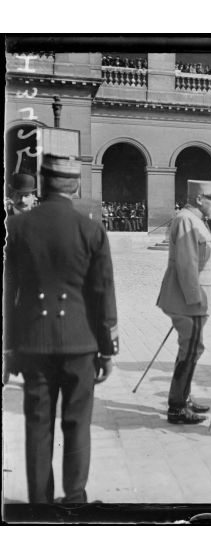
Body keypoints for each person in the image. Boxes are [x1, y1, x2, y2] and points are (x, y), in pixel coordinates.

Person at [4, 154, 118, 503]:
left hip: (33, 344)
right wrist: (108, 348)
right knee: (76, 423)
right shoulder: (91, 229)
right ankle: (74, 498)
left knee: (37, 426)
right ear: (76, 185)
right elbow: (103, 293)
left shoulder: (18, 228)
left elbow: (10, 291)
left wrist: (8, 347)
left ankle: (39, 503)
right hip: (80, 343)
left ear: (43, 182)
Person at [156, 179, 211, 424]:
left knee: (191, 348)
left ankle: (183, 397)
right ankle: (177, 407)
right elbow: (186, 264)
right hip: (186, 300)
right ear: (198, 199)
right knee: (191, 349)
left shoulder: (194, 220)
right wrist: (195, 301)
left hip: (190, 299)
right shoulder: (186, 220)